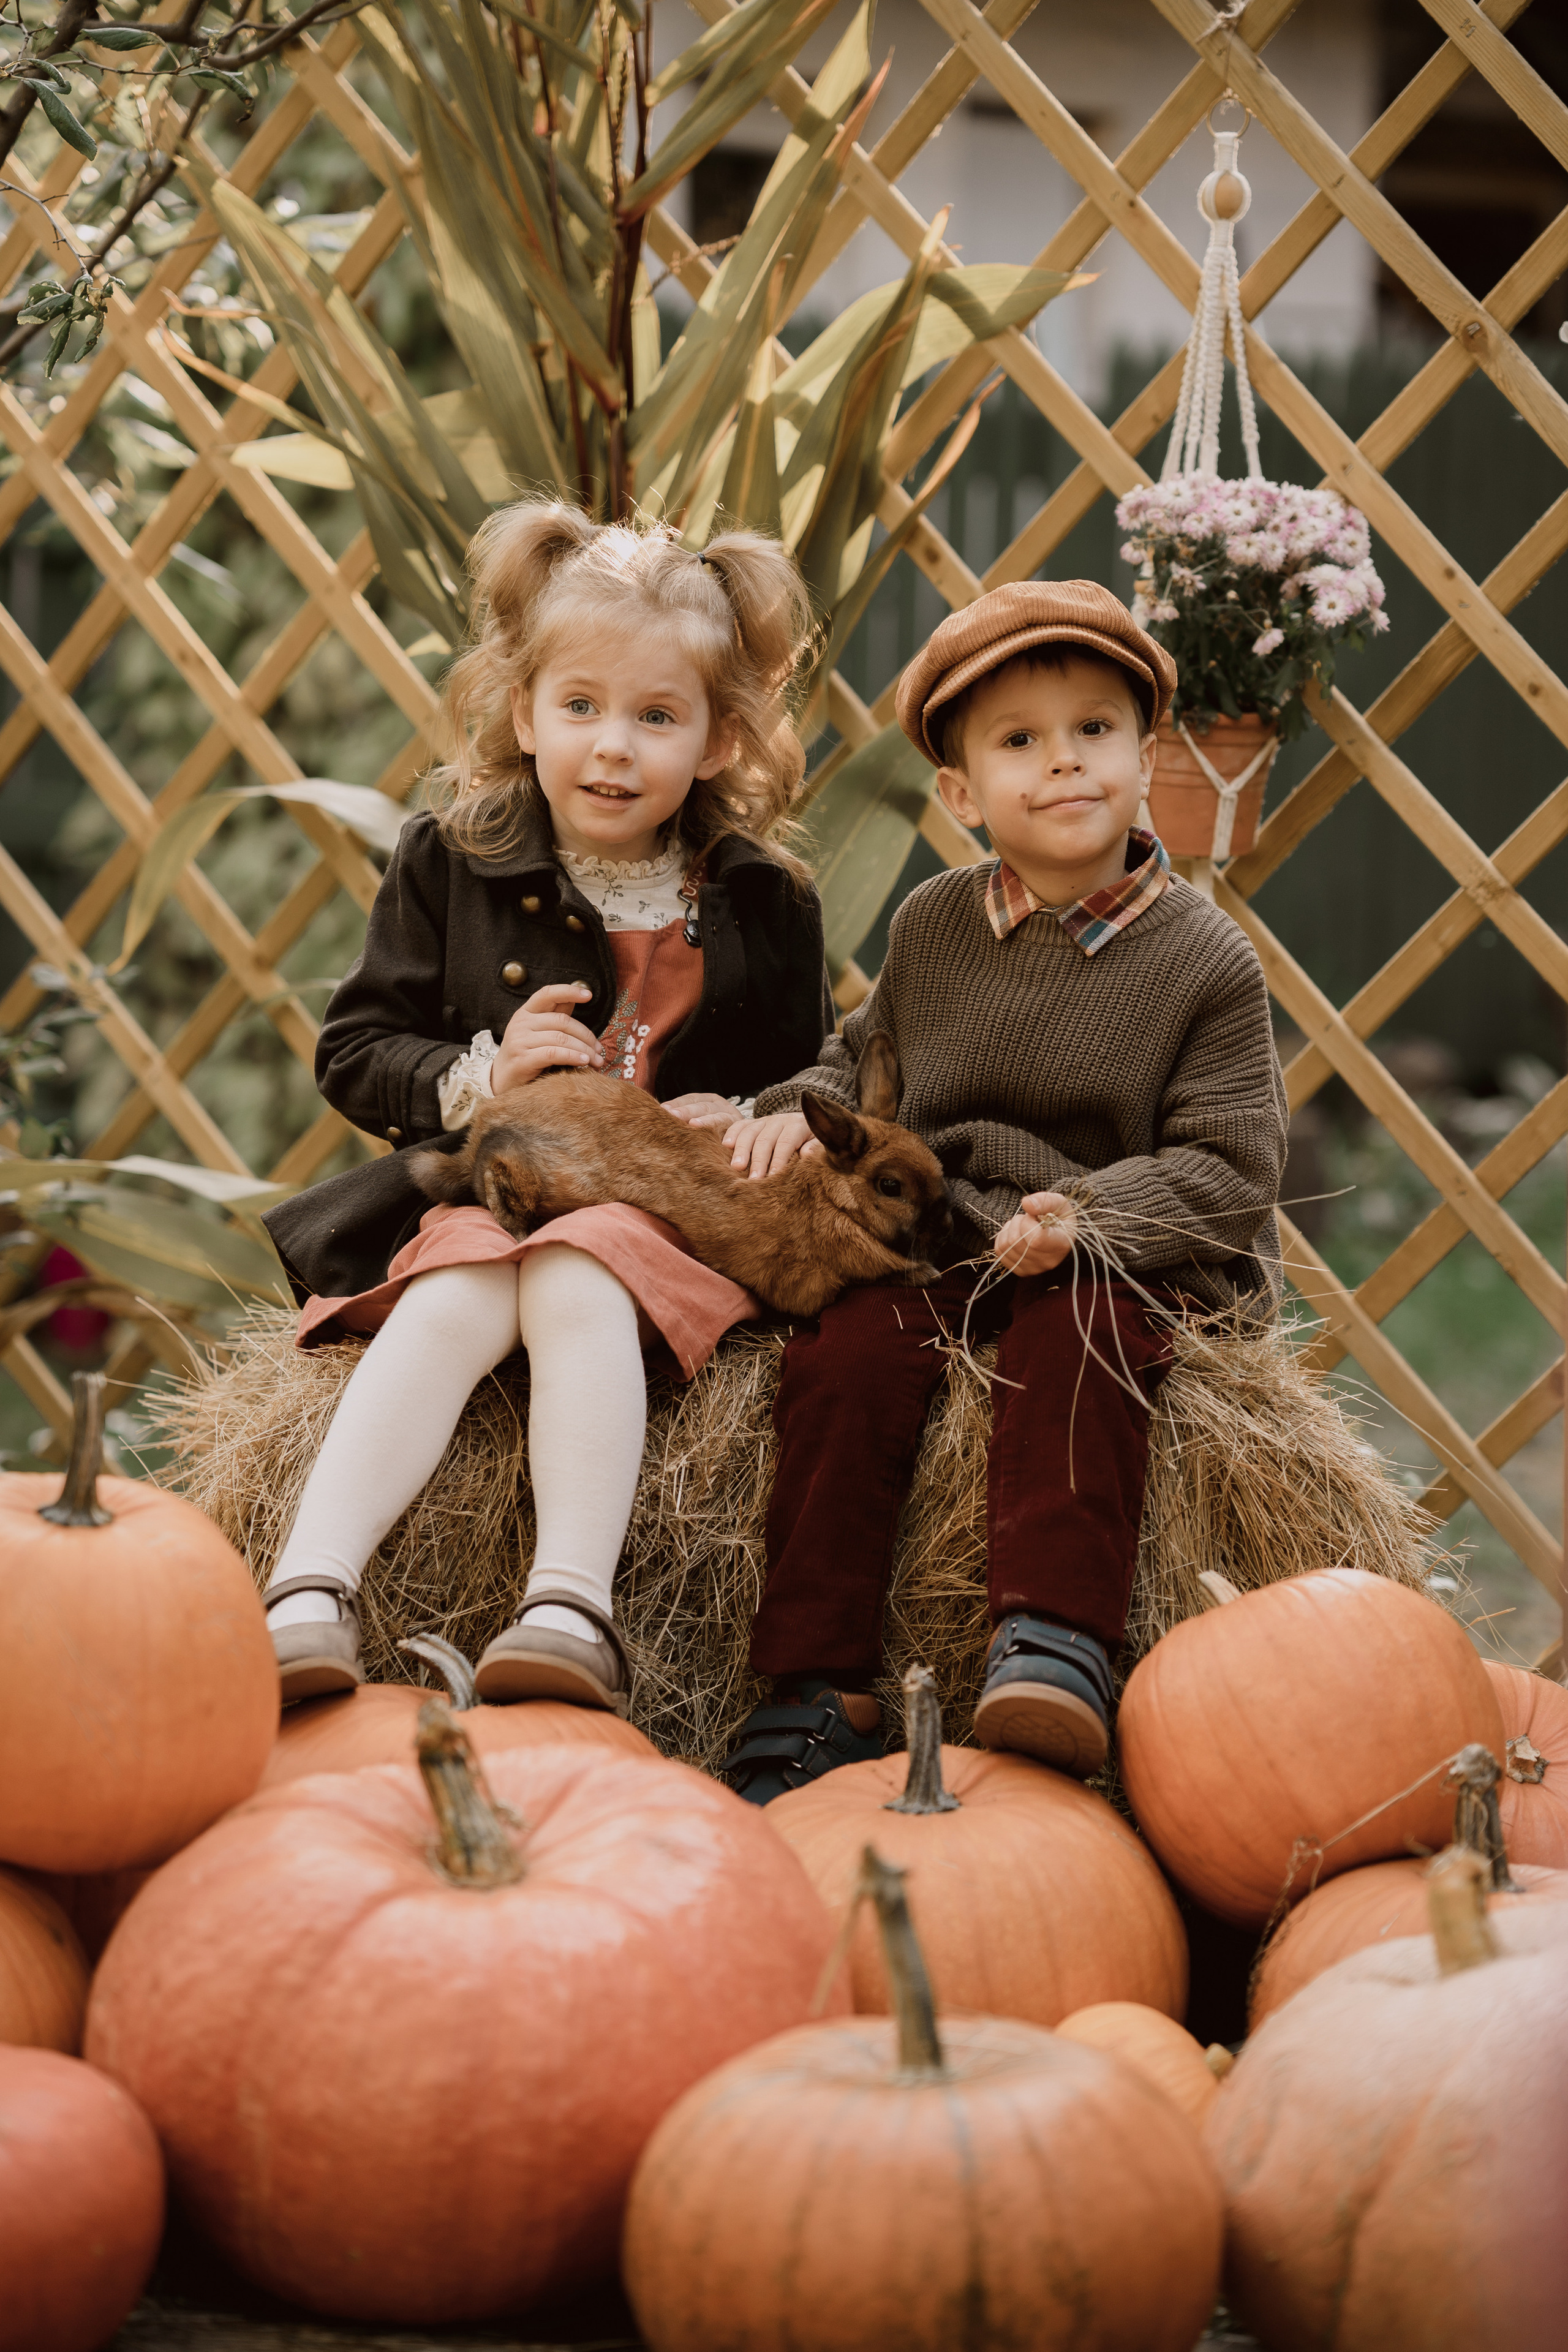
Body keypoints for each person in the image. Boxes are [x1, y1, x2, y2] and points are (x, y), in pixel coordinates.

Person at [717, 579, 1288, 1800]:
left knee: (1077, 1340)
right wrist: (779, 1114)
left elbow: (1229, 1168)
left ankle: (1053, 1640)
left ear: (1147, 758)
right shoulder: (934, 926)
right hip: (949, 1233)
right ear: (962, 794)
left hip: (1117, 1250)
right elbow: (860, 1060)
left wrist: (1088, 1221)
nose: (1063, 760)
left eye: (1094, 729)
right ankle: (816, 1683)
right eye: (1019, 741)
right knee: (843, 1355)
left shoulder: (1204, 961)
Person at [260, 503, 831, 1712]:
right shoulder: (450, 860)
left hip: (664, 1219)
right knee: (457, 1285)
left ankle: (569, 1607)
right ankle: (307, 1589)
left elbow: (811, 1076)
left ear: (719, 740)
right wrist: (483, 1076)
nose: (612, 748)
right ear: (524, 715)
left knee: (580, 1267)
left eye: (657, 717)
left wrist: (755, 1113)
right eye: (580, 707)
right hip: (500, 1188)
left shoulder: (765, 901)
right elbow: (355, 1051)